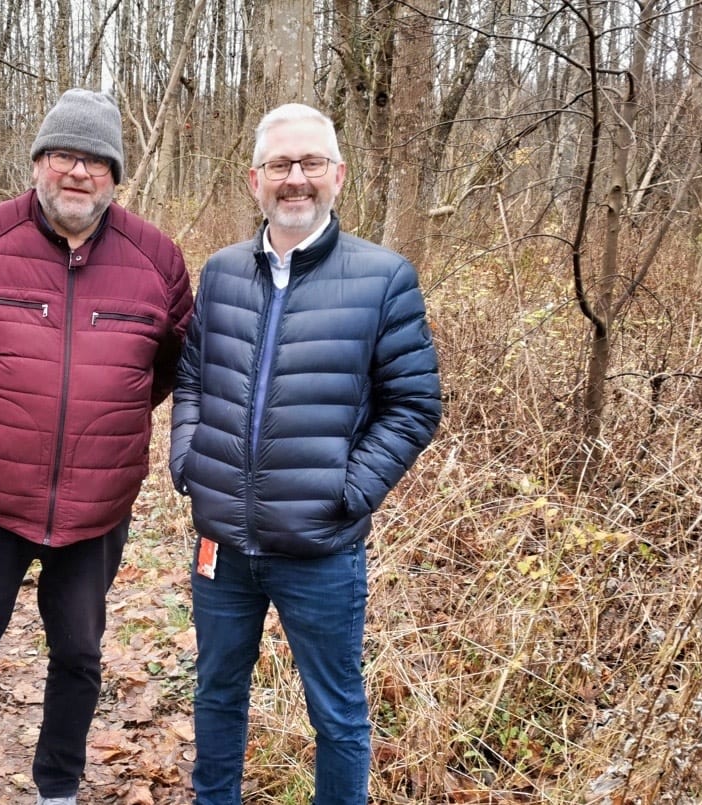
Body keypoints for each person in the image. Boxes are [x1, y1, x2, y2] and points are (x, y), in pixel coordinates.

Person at [0, 88, 193, 805]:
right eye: (65, 154)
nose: (78, 173)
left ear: (116, 175)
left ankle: (56, 790)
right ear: (38, 161)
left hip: (98, 501)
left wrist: (106, 417)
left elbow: (169, 363)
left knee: (80, 656)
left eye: (97, 160)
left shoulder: (156, 258)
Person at [170, 103, 441, 804]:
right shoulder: (223, 272)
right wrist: (189, 461)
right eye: (280, 165)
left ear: (338, 175)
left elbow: (413, 405)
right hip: (222, 544)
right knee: (217, 692)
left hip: (321, 549)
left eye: (311, 163)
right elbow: (193, 379)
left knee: (338, 714)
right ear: (254, 179)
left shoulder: (383, 278)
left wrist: (347, 490)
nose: (296, 179)